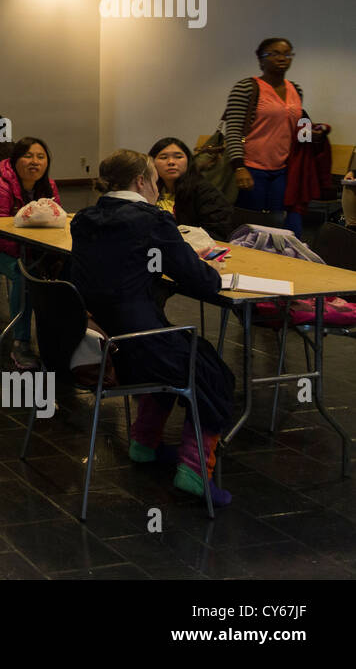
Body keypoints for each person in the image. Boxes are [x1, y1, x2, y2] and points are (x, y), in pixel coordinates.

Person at [70, 149, 235, 507]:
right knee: (210, 369)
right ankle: (195, 471)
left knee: (179, 348)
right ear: (141, 182)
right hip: (137, 348)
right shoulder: (152, 221)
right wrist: (210, 270)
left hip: (95, 347)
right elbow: (200, 281)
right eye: (156, 182)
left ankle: (144, 445)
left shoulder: (83, 219)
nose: (158, 189)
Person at [0, 137, 61, 370]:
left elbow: (57, 218)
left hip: (32, 251)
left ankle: (61, 342)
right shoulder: (2, 186)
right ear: (15, 160)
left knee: (64, 270)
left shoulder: (49, 186)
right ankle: (21, 342)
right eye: (28, 156)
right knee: (24, 275)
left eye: (40, 157)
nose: (34, 162)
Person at [222, 37, 306, 235]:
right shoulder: (246, 88)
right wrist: (239, 167)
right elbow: (233, 130)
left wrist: (312, 135)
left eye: (287, 54)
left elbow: (297, 128)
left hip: (283, 170)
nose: (282, 58)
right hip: (251, 168)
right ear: (260, 60)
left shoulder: (296, 90)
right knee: (252, 226)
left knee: (281, 227)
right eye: (274, 53)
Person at [148, 137, 233, 241]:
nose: (171, 162)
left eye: (178, 157)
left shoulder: (204, 191)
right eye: (163, 157)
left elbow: (218, 231)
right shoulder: (147, 189)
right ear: (152, 162)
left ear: (188, 161)